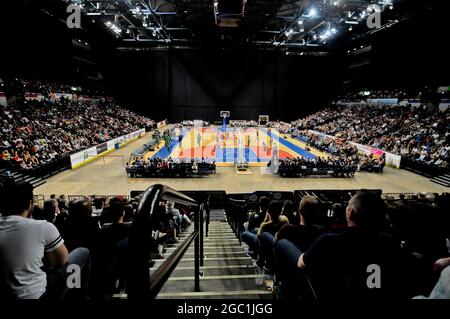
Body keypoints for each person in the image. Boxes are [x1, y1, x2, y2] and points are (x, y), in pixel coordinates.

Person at [297, 192, 407, 300]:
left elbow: (301, 264)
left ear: (350, 212)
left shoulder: (329, 241)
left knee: (284, 245)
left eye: (349, 205)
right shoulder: (390, 242)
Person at [0, 182, 88, 299]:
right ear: (29, 204)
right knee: (82, 253)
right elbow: (61, 260)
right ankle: (78, 295)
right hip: (38, 294)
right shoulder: (42, 227)